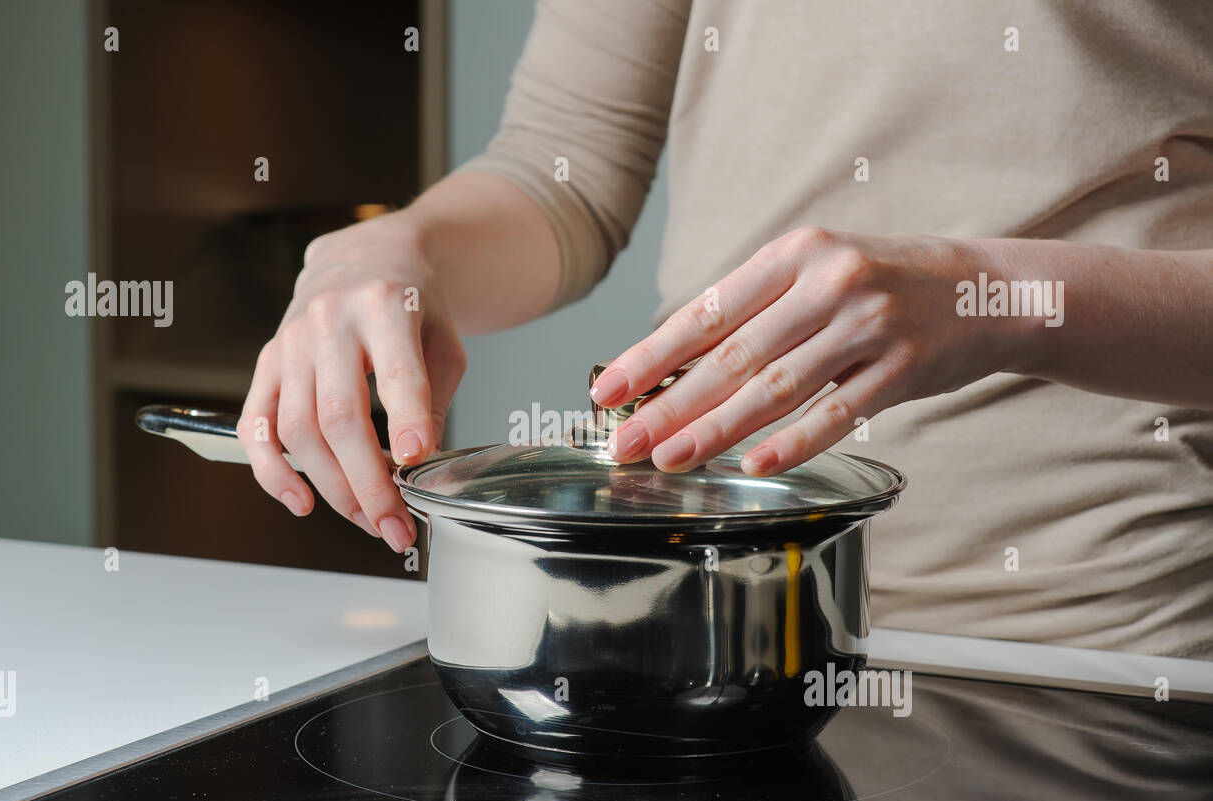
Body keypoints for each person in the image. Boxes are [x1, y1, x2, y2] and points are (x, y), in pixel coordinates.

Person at [237, 1, 1213, 657]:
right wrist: (398, 254)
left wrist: (994, 292)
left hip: (1090, 639)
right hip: (717, 621)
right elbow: (560, 168)